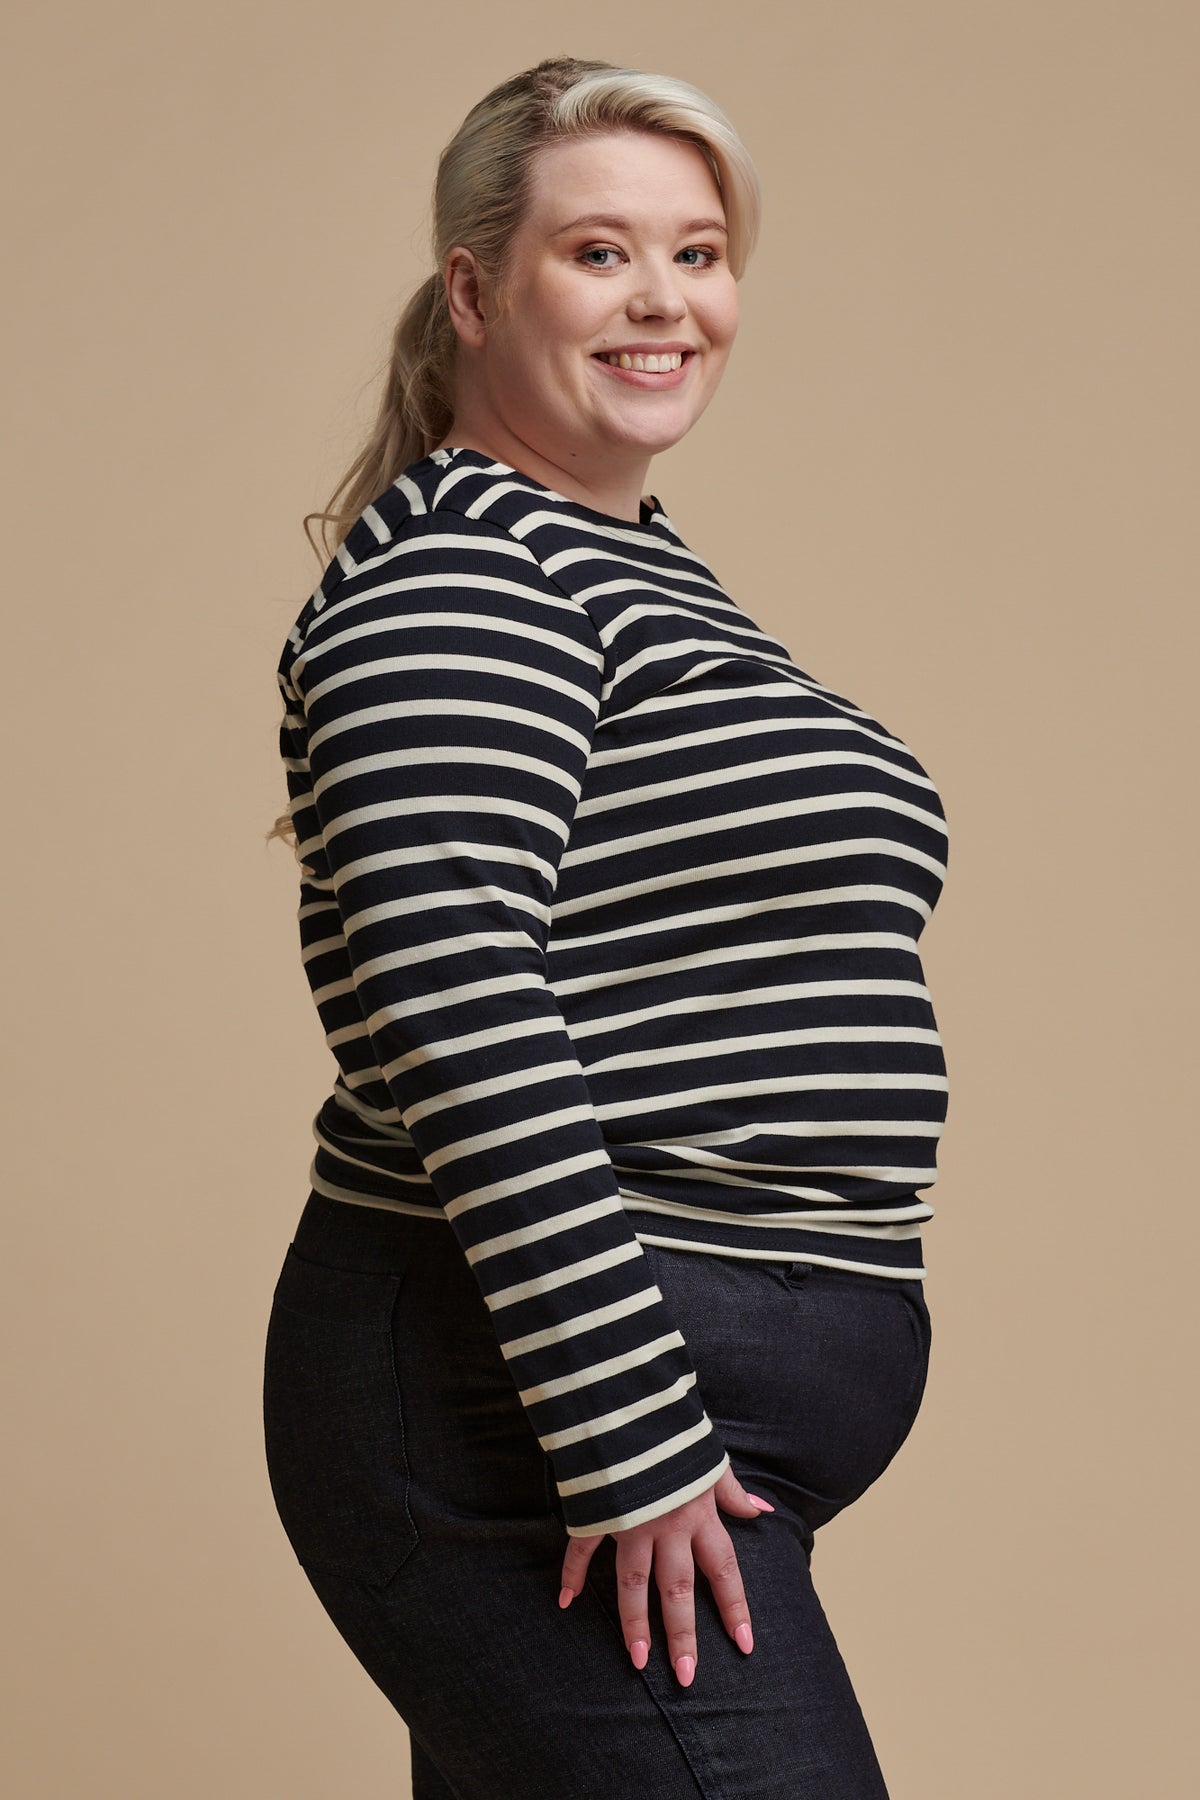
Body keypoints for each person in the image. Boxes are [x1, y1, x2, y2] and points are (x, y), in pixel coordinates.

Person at [261, 54, 947, 1800]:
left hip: (628, 1414)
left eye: (699, 254)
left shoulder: (635, 569)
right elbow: (459, 1006)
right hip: (537, 1418)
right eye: (601, 254)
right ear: (477, 287)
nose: (664, 303)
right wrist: (634, 1439)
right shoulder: (463, 573)